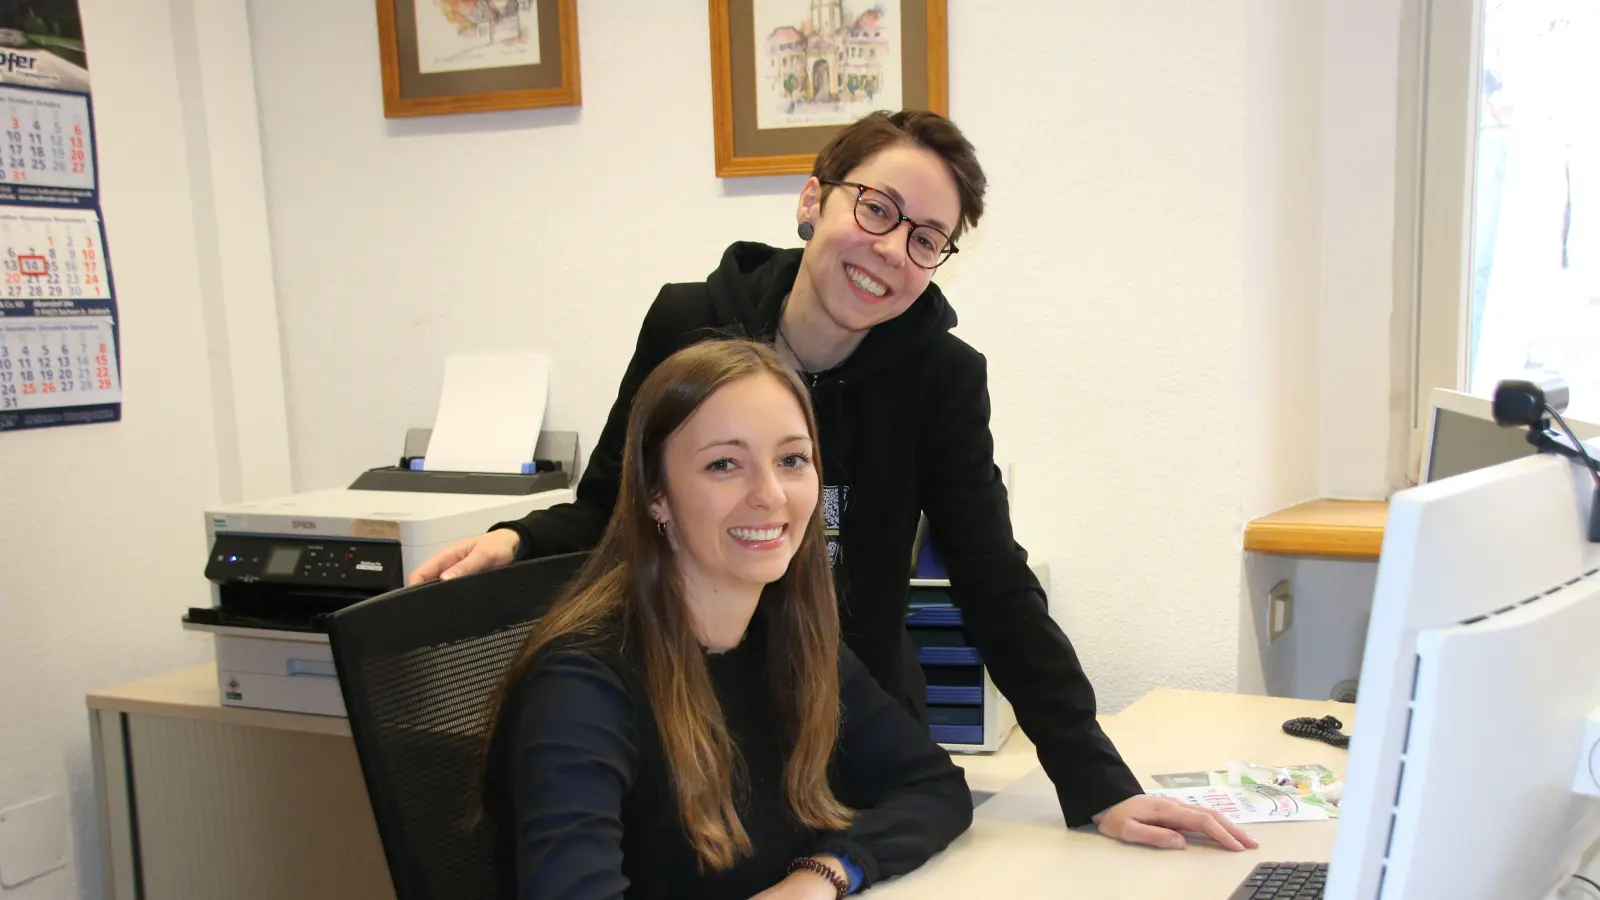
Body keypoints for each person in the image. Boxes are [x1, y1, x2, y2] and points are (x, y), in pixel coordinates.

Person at [430, 109, 1258, 853]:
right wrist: (517, 540)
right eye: (877, 209)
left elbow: (991, 577)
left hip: (852, 715)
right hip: (695, 704)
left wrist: (1097, 782)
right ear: (812, 201)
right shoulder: (691, 323)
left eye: (927, 239)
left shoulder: (940, 376)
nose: (893, 249)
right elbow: (619, 501)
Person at [484, 339, 973, 899]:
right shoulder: (581, 685)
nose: (770, 495)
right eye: (724, 464)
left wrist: (825, 874)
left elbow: (933, 785)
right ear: (655, 494)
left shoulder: (788, 636)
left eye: (792, 460)